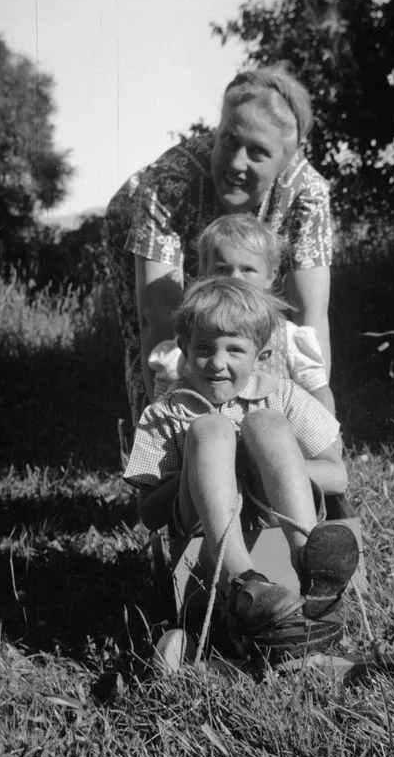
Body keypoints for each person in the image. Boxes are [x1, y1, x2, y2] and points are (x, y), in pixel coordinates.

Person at [122, 276, 359, 636]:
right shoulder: (166, 413)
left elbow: (337, 476)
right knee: (209, 429)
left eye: (234, 350)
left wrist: (263, 466)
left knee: (265, 423)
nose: (217, 363)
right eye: (204, 348)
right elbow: (149, 514)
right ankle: (242, 583)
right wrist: (202, 473)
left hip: (277, 514)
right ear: (184, 347)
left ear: (261, 355)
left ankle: (310, 566)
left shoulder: (282, 396)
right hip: (202, 529)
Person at [105, 64, 333, 429]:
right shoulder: (168, 183)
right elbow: (158, 319)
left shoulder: (308, 193)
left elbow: (310, 316)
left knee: (260, 332)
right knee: (175, 344)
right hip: (144, 222)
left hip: (249, 245)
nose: (237, 162)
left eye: (258, 152)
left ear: (287, 159)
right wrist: (168, 429)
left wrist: (314, 429)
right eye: (228, 140)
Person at [148, 213, 336, 413]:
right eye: (223, 269)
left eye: (247, 269)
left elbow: (316, 390)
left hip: (274, 428)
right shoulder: (195, 335)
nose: (235, 278)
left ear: (270, 276)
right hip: (208, 427)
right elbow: (164, 394)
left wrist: (328, 430)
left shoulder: (287, 336)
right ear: (204, 274)